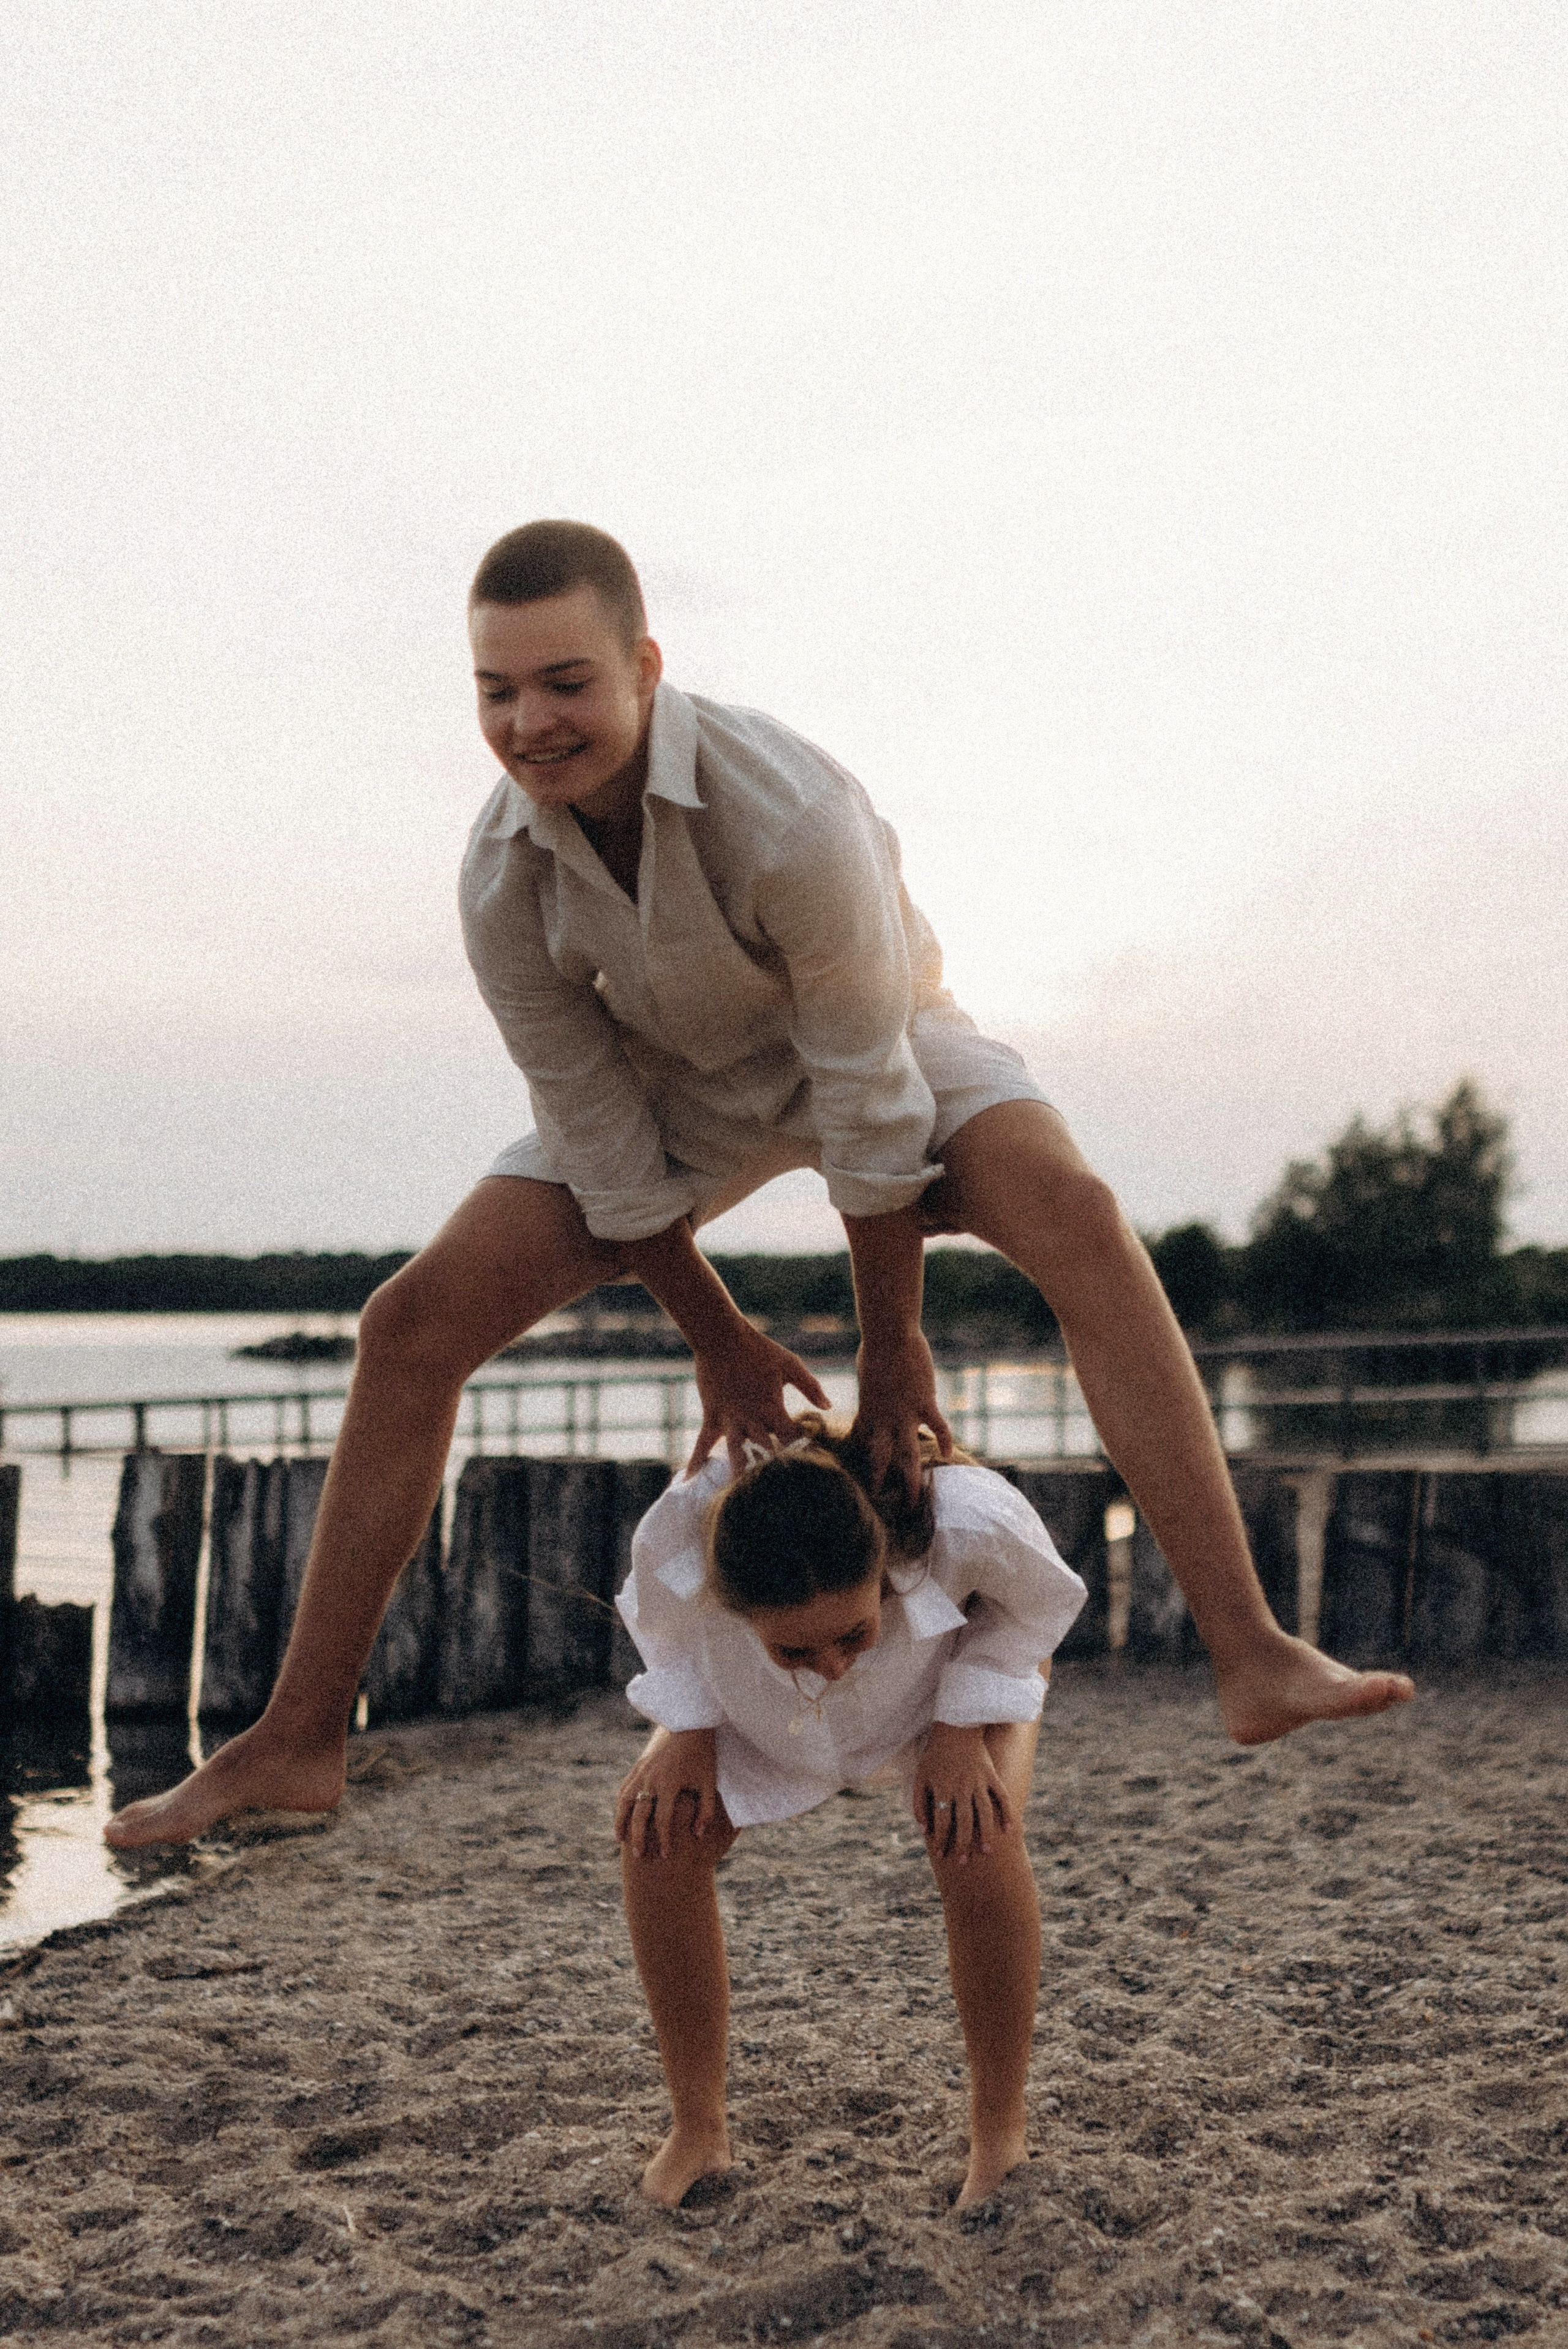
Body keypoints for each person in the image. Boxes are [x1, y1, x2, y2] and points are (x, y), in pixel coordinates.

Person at [105, 521, 1411, 1852]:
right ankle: (297, 1738)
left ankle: (1247, 1649)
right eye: (494, 691)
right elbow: (599, 1134)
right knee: (405, 1324)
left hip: (889, 1040)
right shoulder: (500, 877)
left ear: (644, 667)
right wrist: (718, 1339)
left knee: (1074, 1212)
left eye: (563, 681)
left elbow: (867, 1098)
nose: (528, 722)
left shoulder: (788, 810)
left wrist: (892, 1346)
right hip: (676, 1090)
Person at [613, 1420, 1087, 2209]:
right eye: (797, 1648)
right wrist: (686, 1731)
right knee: (656, 1836)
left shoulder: (963, 1519)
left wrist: (961, 1727)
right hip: (757, 1712)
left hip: (945, 1685)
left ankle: (998, 2131)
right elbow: (666, 1634)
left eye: (850, 1633)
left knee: (974, 1837)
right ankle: (697, 2129)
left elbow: (1038, 1611)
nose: (832, 1665)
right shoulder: (683, 1536)